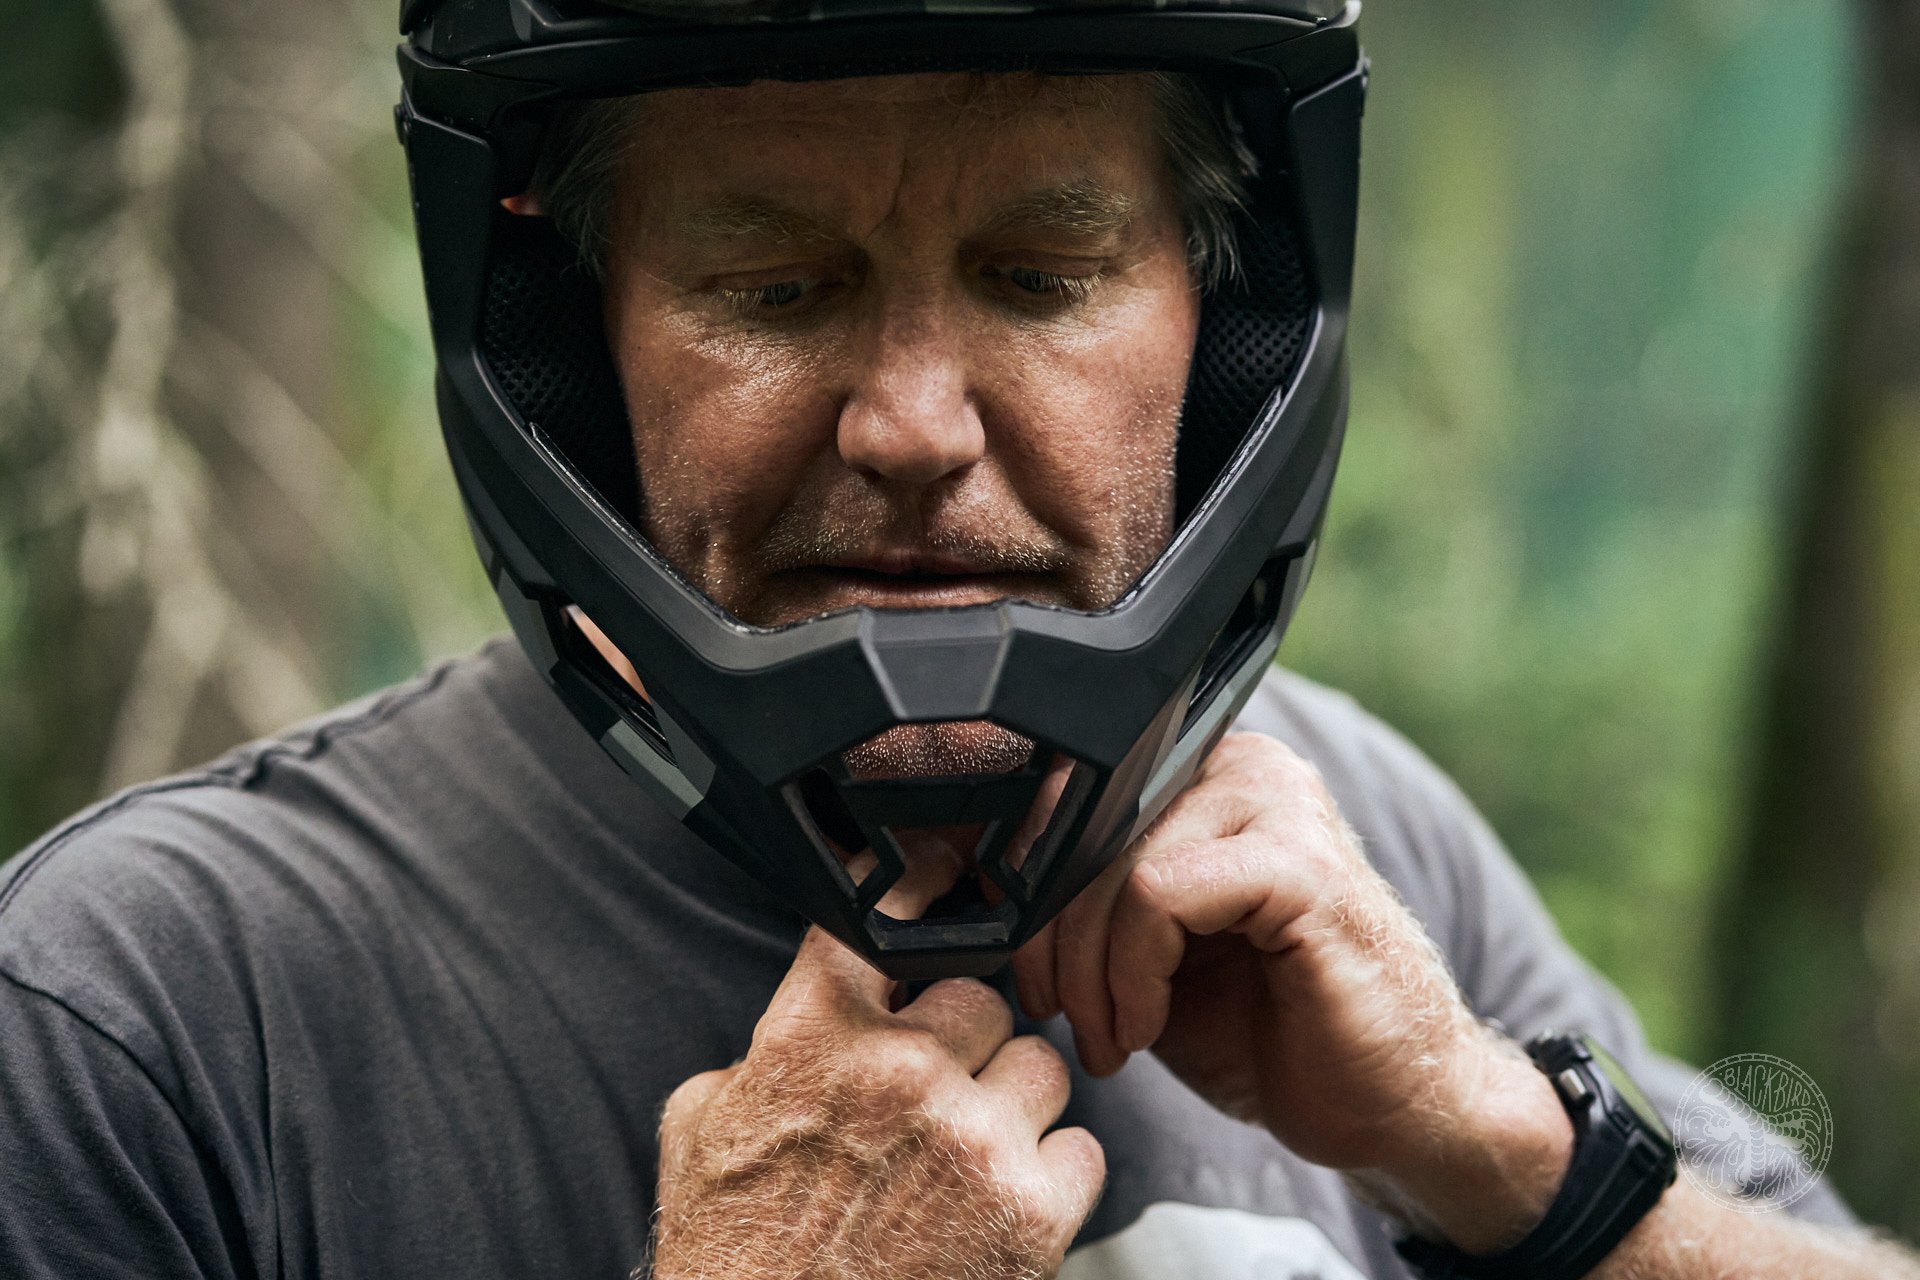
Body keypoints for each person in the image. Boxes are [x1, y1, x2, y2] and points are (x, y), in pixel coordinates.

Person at [1, 2, 1915, 1277]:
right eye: (772, 283)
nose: (914, 422)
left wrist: (1523, 1158)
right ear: (576, 352)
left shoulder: (1357, 849)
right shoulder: (152, 1020)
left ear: (1221, 320)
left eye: (1040, 277)